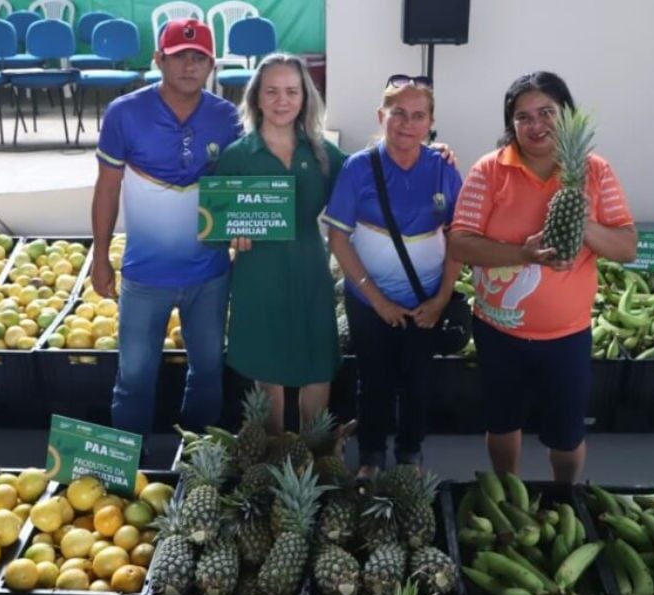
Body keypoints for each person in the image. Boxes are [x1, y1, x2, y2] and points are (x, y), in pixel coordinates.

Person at [448, 71, 637, 483]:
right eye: (523, 117)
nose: (535, 125)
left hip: (566, 335)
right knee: (501, 422)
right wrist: (522, 253)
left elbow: (627, 247)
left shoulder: (595, 172)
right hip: (499, 330)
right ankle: (508, 488)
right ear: (510, 123)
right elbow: (459, 243)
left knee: (566, 435)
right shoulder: (490, 170)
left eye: (546, 112)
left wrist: (584, 220)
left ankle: (564, 494)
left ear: (565, 114)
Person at [90, 19, 242, 442]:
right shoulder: (124, 113)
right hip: (143, 275)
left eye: (199, 58)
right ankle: (129, 464)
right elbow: (107, 188)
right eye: (179, 57)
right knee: (135, 375)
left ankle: (197, 458)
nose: (189, 67)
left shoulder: (226, 116)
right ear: (159, 59)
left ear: (211, 65)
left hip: (209, 274)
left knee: (209, 370)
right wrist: (100, 257)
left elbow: (244, 181)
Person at [324, 74, 463, 478]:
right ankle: (370, 456)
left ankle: (410, 455)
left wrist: (441, 300)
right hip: (369, 300)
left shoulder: (443, 169)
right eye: (398, 113)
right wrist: (377, 299)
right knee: (373, 379)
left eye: (418, 115)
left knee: (419, 381)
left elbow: (460, 237)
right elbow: (338, 238)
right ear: (380, 116)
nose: (407, 123)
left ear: (430, 122)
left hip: (426, 300)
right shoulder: (357, 168)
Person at [215, 53, 346, 433]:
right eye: (271, 91)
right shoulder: (237, 157)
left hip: (310, 267)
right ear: (256, 98)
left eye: (291, 91)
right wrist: (232, 233)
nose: (282, 100)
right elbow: (214, 219)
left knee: (317, 364)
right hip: (259, 272)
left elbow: (365, 178)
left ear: (305, 97)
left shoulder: (323, 153)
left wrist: (427, 152)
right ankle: (273, 454)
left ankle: (314, 451)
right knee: (267, 367)